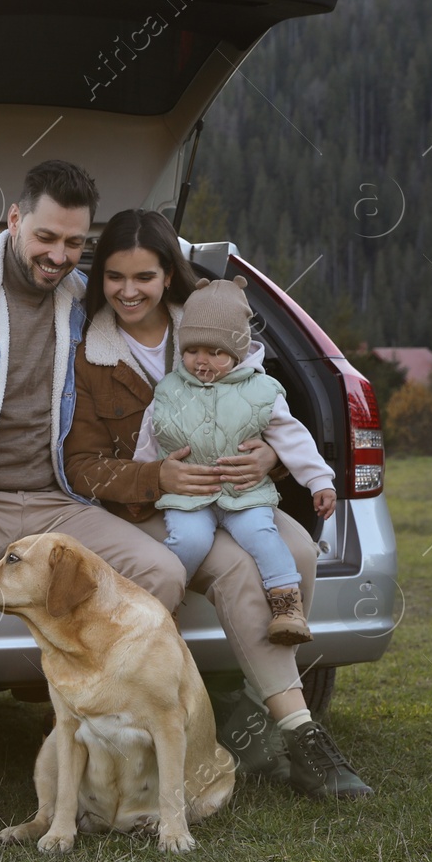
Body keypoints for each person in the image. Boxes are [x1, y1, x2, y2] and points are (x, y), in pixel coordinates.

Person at [0, 161, 207, 843]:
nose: (59, 256)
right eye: (47, 237)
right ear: (15, 220)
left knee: (164, 574)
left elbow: (174, 331)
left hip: (57, 498)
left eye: (74, 243)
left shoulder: (86, 298)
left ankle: (108, 731)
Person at [64, 208, 372, 800]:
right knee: (237, 571)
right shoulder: (87, 355)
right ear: (99, 277)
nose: (129, 291)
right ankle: (300, 733)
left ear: (168, 277)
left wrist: (269, 462)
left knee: (300, 548)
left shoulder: (213, 324)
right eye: (115, 278)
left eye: (145, 277)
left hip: (234, 491)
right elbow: (81, 465)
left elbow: (269, 412)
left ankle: (254, 727)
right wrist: (158, 475)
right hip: (149, 508)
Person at [134, 275, 337, 646]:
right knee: (188, 540)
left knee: (262, 535)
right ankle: (167, 604)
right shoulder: (168, 391)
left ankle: (287, 605)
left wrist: (319, 480)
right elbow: (150, 441)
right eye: (194, 350)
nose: (203, 361)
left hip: (244, 494)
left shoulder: (262, 392)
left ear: (238, 351)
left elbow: (292, 439)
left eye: (217, 352)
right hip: (189, 497)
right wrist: (142, 483)